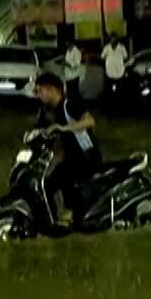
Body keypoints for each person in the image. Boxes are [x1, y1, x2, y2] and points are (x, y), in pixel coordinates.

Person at [35, 72, 102, 227]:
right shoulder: (52, 111)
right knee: (48, 183)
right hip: (74, 158)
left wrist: (64, 128)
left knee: (57, 181)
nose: (38, 95)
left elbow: (90, 121)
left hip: (87, 158)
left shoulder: (69, 105)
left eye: (40, 91)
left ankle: (69, 217)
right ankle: (57, 219)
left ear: (51, 90)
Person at [101, 34, 128, 109]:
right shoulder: (107, 47)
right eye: (112, 39)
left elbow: (125, 57)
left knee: (119, 92)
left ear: (117, 40)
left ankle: (119, 108)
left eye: (115, 39)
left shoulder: (121, 47)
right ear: (110, 40)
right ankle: (111, 108)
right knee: (110, 93)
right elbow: (102, 57)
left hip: (119, 73)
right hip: (110, 73)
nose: (113, 41)